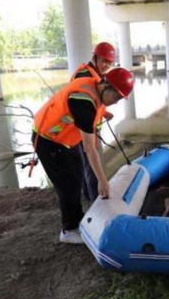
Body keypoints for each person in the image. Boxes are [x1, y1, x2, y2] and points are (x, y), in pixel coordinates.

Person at [32, 67, 134, 244]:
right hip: (48, 140)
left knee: (76, 177)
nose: (116, 102)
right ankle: (68, 230)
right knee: (68, 185)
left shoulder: (95, 89)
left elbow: (94, 110)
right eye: (116, 97)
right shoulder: (83, 101)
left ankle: (78, 219)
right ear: (106, 86)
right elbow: (89, 147)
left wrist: (104, 112)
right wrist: (102, 180)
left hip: (65, 140)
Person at [71, 42, 117, 202]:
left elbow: (95, 102)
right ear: (95, 57)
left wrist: (104, 113)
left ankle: (89, 196)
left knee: (87, 166)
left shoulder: (95, 74)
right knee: (91, 167)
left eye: (109, 63)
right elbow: (84, 105)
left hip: (88, 126)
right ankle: (97, 202)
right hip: (82, 129)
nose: (106, 65)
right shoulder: (84, 75)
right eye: (104, 61)